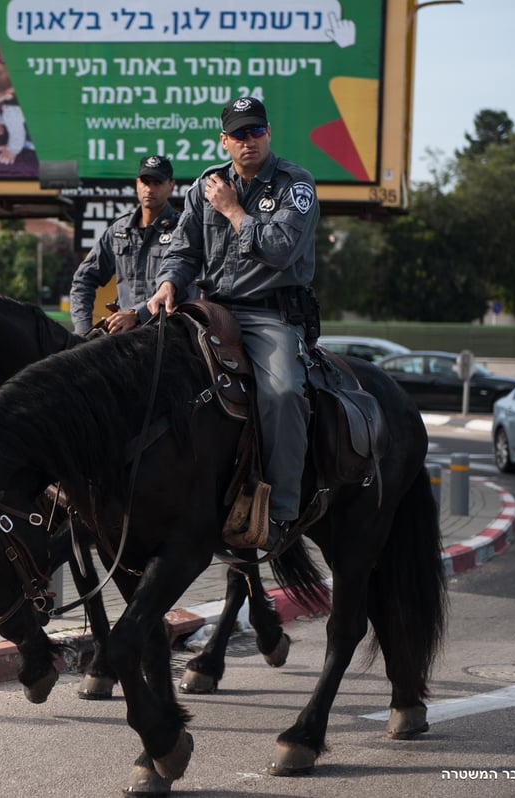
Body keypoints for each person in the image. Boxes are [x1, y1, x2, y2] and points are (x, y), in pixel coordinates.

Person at [146, 96, 320, 553]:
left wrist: (233, 210)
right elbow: (183, 250)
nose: (248, 141)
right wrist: (167, 283)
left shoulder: (293, 184)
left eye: (256, 131)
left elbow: (281, 248)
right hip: (209, 308)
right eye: (238, 134)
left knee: (282, 393)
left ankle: (281, 512)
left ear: (268, 133)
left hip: (269, 314)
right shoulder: (205, 184)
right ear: (224, 141)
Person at [69, 155, 184, 335]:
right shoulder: (118, 231)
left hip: (170, 334)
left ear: (171, 185)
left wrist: (138, 314)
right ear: (137, 183)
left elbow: (185, 285)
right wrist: (83, 330)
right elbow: (83, 280)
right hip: (123, 338)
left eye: (157, 182)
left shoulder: (182, 229)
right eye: (145, 182)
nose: (150, 189)